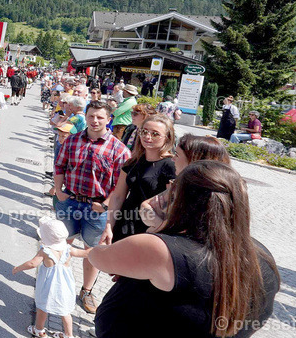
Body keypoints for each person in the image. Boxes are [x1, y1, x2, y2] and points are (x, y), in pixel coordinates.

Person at [90, 161, 279, 338]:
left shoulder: (161, 249)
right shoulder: (260, 256)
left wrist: (156, 229)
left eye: (173, 190)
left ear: (182, 200)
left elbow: (98, 257)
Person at [53, 99, 131, 314]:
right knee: (63, 242)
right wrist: (59, 191)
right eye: (91, 116)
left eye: (100, 117)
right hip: (70, 200)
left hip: (97, 208)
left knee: (93, 251)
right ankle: (56, 281)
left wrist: (106, 205)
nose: (95, 120)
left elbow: (120, 185)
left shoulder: (120, 150)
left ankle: (86, 290)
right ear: (85, 116)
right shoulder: (73, 140)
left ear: (108, 120)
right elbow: (59, 165)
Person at [12, 217, 89, 338]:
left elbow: (32, 263)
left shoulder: (45, 251)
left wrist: (17, 269)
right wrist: (99, 250)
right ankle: (69, 336)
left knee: (43, 307)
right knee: (65, 311)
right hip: (65, 285)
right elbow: (85, 253)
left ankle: (39, 329)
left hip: (48, 285)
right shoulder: (69, 249)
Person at [103, 113, 176, 242]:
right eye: (144, 131)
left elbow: (172, 204)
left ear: (167, 138)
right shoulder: (133, 162)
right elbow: (118, 196)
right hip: (124, 222)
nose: (148, 137)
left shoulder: (171, 165)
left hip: (150, 227)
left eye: (155, 134)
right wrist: (109, 225)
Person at [139, 134, 231, 232]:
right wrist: (161, 226)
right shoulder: (179, 184)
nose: (172, 158)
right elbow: (145, 206)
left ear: (194, 160)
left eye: (177, 155)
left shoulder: (209, 196)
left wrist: (157, 228)